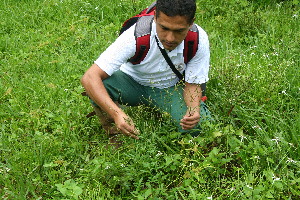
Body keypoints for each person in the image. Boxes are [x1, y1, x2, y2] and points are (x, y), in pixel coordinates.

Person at [81, 0, 211, 145]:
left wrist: (193, 110)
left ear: (191, 22)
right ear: (155, 17)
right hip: (131, 82)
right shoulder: (137, 34)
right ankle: (116, 137)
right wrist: (116, 114)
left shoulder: (198, 39)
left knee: (201, 127)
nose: (170, 38)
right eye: (164, 28)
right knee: (99, 86)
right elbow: (90, 77)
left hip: (168, 88)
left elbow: (192, 84)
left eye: (179, 31)